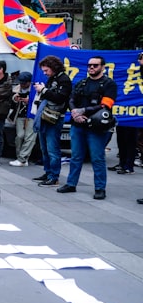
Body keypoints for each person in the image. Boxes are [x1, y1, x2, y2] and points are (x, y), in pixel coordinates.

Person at [56, 55, 117, 200]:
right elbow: (71, 99)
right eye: (89, 65)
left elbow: (105, 105)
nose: (91, 68)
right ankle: (71, 184)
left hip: (96, 127)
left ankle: (100, 188)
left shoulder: (109, 84)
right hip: (78, 124)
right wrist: (75, 113)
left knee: (97, 158)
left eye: (95, 65)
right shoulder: (82, 83)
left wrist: (84, 110)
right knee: (76, 156)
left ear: (102, 67)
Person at [32, 54, 72, 186]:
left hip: (55, 118)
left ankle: (54, 176)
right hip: (45, 116)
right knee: (44, 148)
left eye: (46, 70)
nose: (45, 73)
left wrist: (43, 90)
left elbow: (60, 98)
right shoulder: (53, 78)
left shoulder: (64, 80)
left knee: (52, 149)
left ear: (53, 67)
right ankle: (48, 172)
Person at [8, 72, 36, 167]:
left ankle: (23, 158)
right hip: (19, 115)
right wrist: (15, 98)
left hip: (32, 115)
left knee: (29, 137)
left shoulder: (35, 89)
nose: (22, 85)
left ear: (29, 82)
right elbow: (11, 102)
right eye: (21, 83)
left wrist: (30, 101)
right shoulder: (17, 88)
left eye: (24, 83)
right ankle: (20, 156)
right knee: (20, 136)